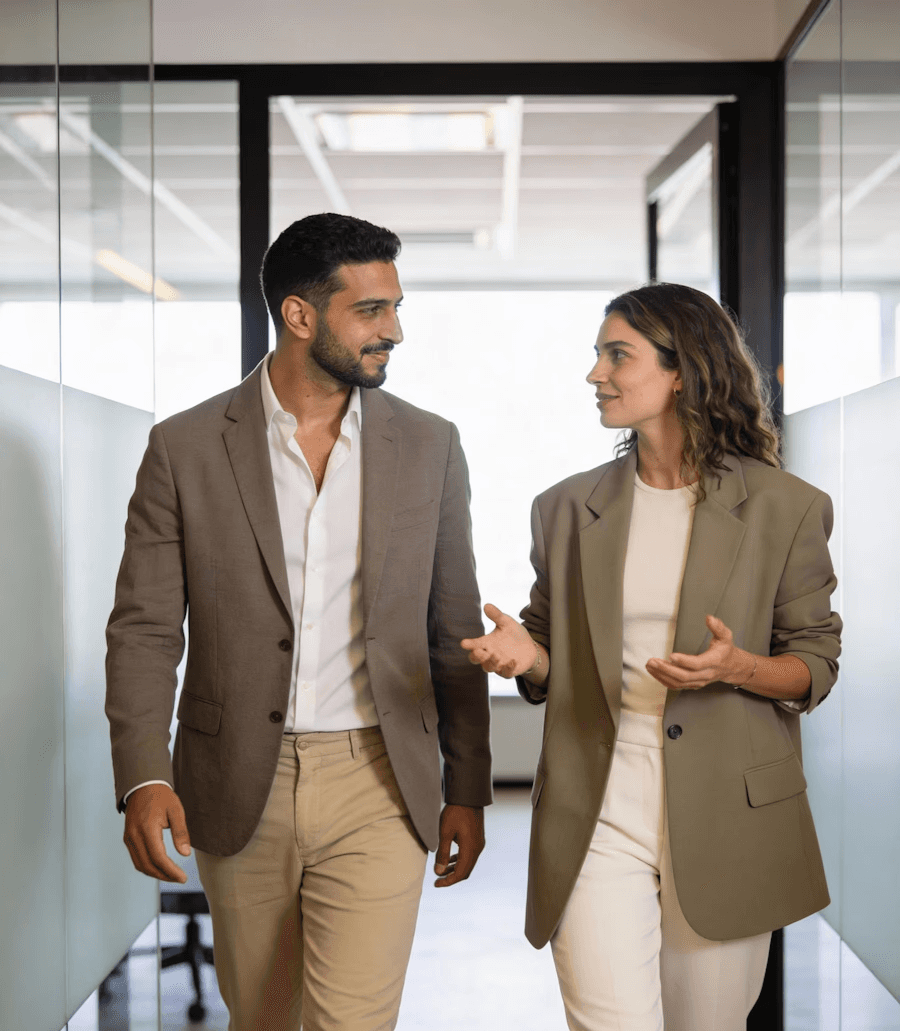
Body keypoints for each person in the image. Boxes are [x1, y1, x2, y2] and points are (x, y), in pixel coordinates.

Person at [106, 212, 492, 1031]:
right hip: (238, 775)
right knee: (265, 1018)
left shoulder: (430, 445)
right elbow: (143, 628)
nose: (394, 330)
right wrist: (144, 775)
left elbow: (452, 624)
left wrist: (468, 785)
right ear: (301, 315)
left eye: (395, 307)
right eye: (372, 311)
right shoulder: (184, 447)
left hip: (379, 779)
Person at [461, 282, 841, 1031]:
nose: (595, 374)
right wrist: (526, 655)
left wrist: (740, 668)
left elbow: (814, 662)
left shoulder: (785, 505)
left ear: (681, 371)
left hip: (727, 810)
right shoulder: (565, 507)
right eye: (598, 355)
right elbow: (552, 651)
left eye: (616, 355)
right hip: (596, 806)